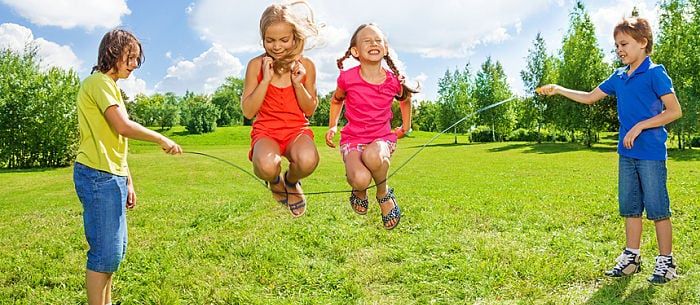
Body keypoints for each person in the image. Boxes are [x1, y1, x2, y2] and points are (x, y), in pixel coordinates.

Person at [537, 17, 682, 284]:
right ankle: (632, 258)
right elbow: (590, 97)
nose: (619, 50)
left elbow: (674, 111)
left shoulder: (655, 72)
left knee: (658, 208)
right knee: (630, 207)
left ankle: (666, 262)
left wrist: (639, 126)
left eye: (624, 44)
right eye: (616, 45)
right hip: (626, 154)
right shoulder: (619, 76)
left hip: (650, 153)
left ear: (642, 42)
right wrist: (558, 89)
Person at [73, 29, 182, 305]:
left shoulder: (111, 88)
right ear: (113, 53)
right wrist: (161, 138)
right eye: (130, 57)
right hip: (97, 175)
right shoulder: (98, 82)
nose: (134, 64)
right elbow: (122, 126)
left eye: (136, 58)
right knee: (105, 252)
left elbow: (117, 140)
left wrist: (128, 181)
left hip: (112, 175)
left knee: (115, 251)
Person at [325, 23, 417, 230]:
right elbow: (336, 100)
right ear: (356, 51)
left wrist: (405, 127)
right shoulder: (347, 78)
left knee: (374, 155)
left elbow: (405, 100)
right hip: (353, 139)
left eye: (378, 41)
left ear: (385, 48)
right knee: (360, 179)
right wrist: (333, 126)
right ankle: (359, 191)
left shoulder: (394, 81)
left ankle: (383, 193)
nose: (374, 43)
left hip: (382, 139)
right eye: (367, 41)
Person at [241, 0, 321, 218]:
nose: (277, 46)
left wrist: (297, 84)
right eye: (270, 40)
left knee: (308, 161)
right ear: (263, 39)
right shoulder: (256, 65)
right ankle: (275, 180)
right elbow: (248, 112)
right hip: (266, 131)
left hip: (297, 130)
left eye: (284, 40)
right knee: (266, 166)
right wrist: (265, 80)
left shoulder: (307, 66)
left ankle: (291, 181)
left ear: (295, 37)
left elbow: (310, 109)